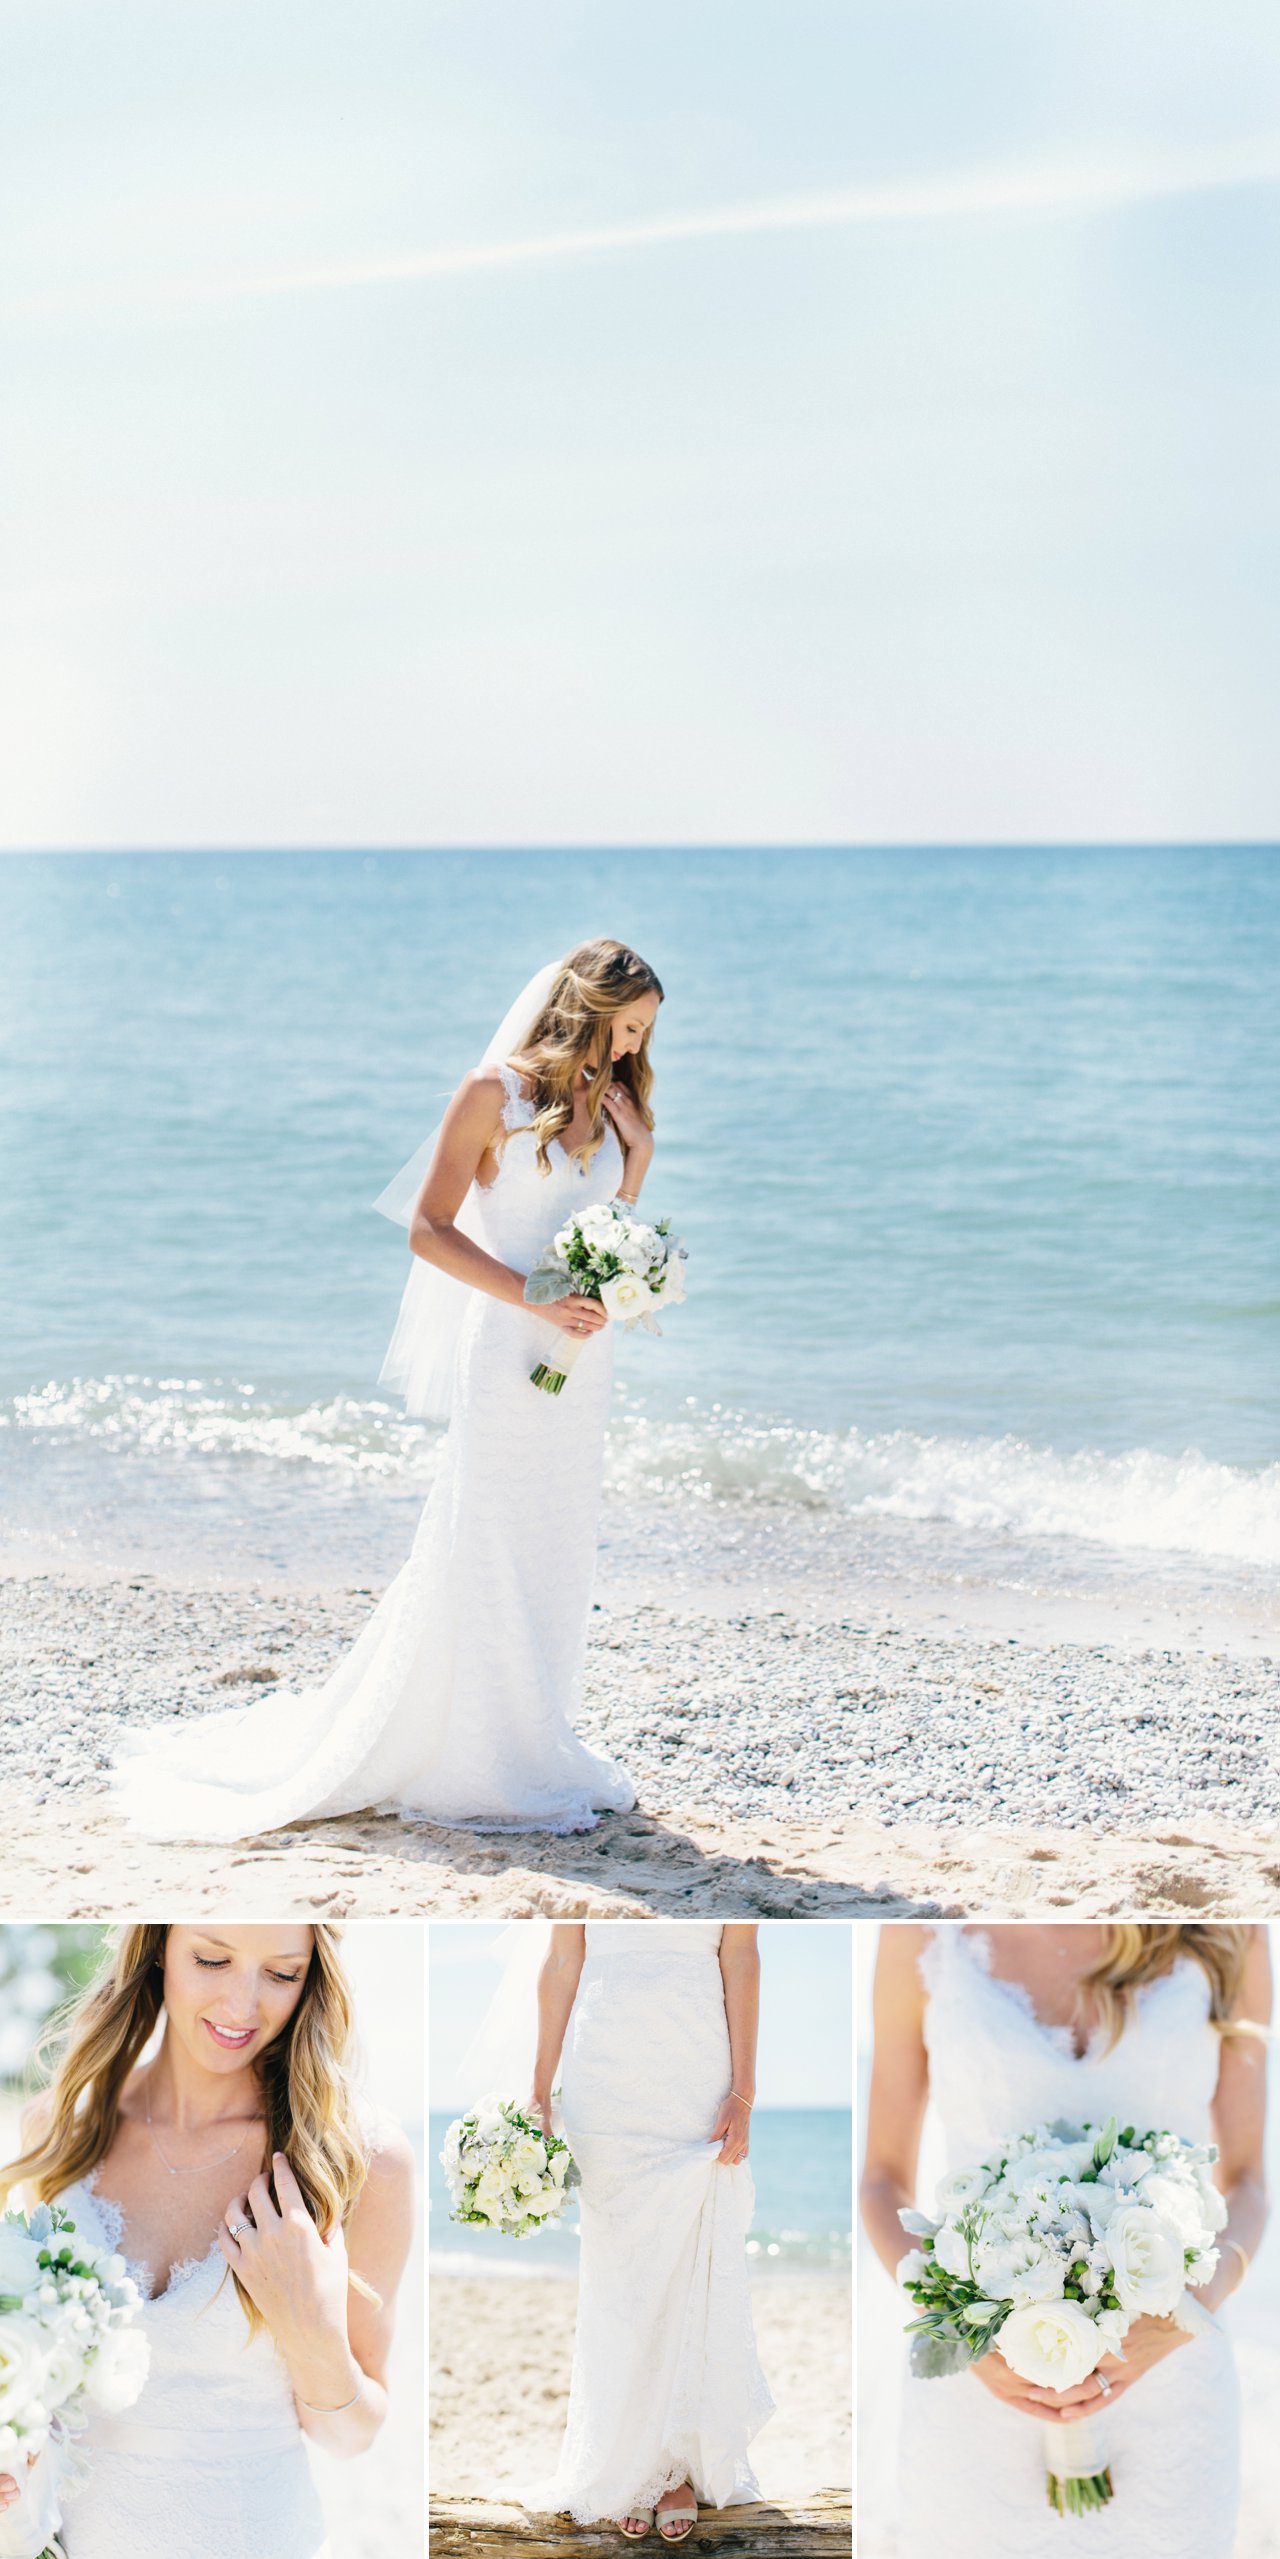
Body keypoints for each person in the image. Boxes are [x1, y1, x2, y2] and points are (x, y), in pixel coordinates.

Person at [111, 938, 662, 1839]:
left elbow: (606, 1235)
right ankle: (475, 1753)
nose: (634, 1048)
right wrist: (532, 1294)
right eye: (626, 1026)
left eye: (644, 1033)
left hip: (581, 1355)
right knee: (483, 1534)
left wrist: (636, 1163)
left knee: (556, 1541)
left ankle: (533, 1736)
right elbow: (428, 1229)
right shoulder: (495, 1091)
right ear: (586, 1009)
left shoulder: (616, 1107)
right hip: (508, 1342)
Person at [0, 1922, 415, 2558]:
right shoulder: (57, 2130)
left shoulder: (357, 2159)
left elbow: (353, 2437)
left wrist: (311, 2333)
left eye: (282, 1974)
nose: (242, 2007)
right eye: (212, 1960)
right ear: (159, 1944)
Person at [860, 1923, 1270, 2559]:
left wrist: (1192, 2309)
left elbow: (1246, 2183)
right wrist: (956, 2331)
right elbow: (883, 2182)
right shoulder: (919, 1934)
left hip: (1171, 2373)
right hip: (981, 2386)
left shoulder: (1228, 1931)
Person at [530, 1921, 774, 2539]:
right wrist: (538, 2089)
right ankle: (626, 2463)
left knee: (686, 2255)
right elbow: (563, 1959)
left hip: (693, 2066)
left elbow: (741, 1956)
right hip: (603, 2073)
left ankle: (675, 2467)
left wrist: (744, 2090)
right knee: (619, 2272)